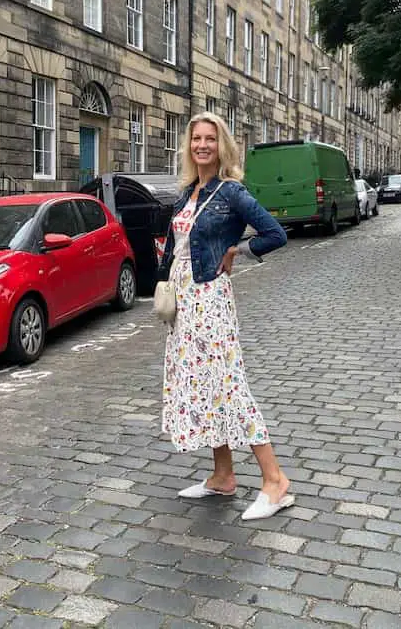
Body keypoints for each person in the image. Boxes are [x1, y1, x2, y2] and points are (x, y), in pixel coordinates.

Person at [156, 111, 293, 520]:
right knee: (201, 386)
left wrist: (240, 251)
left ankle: (276, 481)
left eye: (210, 139)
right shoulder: (187, 193)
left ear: (223, 146)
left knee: (228, 385)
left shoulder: (230, 193)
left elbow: (275, 232)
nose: (202, 145)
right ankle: (222, 476)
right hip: (185, 307)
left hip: (211, 302)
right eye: (196, 138)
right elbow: (177, 245)